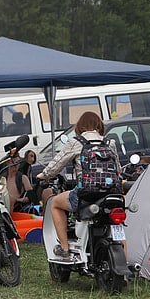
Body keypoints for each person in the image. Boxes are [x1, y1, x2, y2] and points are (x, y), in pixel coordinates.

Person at [36, 111, 118, 259]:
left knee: (55, 203)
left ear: (80, 126)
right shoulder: (109, 142)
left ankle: (65, 248)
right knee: (116, 226)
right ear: (99, 125)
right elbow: (117, 168)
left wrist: (43, 175)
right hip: (111, 193)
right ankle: (124, 260)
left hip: (86, 194)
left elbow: (57, 163)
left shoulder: (76, 142)